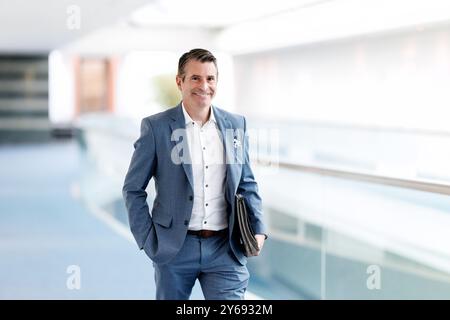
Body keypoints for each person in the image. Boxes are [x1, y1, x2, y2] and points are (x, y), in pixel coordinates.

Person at [122, 48, 267, 300]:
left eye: (210, 78)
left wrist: (258, 229)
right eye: (195, 78)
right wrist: (147, 238)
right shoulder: (156, 128)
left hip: (225, 248)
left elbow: (246, 182)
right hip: (174, 247)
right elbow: (133, 188)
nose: (204, 85)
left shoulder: (236, 124)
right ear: (180, 81)